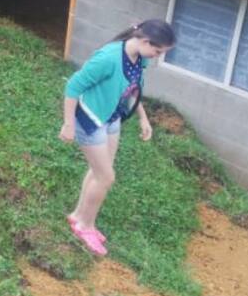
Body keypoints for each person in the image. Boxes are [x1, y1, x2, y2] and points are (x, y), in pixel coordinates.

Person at [59, 19, 177, 256]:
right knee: (106, 177)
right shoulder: (108, 58)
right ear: (145, 41)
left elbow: (134, 89)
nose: (156, 56)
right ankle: (85, 226)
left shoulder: (139, 58)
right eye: (157, 51)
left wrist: (143, 118)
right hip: (91, 120)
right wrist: (68, 124)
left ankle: (78, 216)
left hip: (112, 119)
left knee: (99, 171)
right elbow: (73, 86)